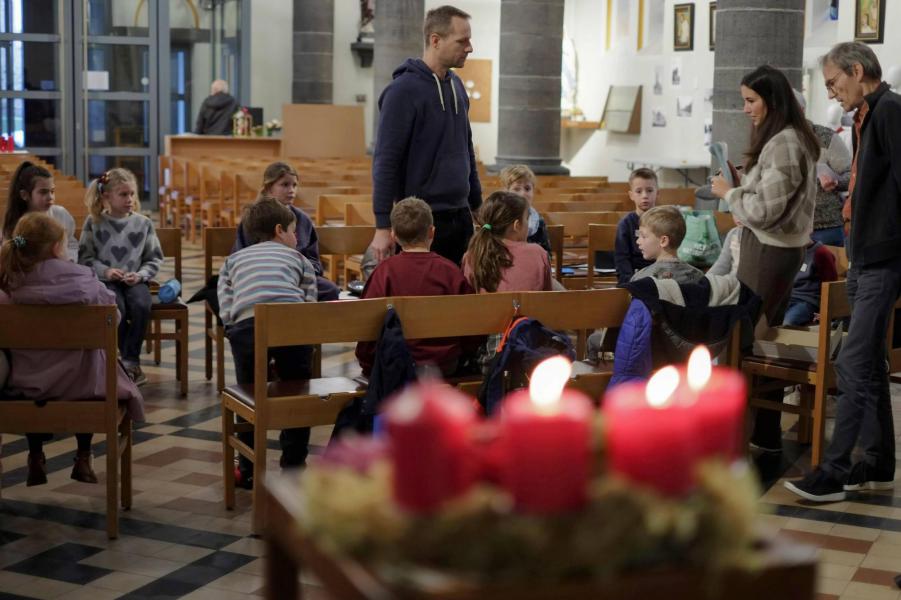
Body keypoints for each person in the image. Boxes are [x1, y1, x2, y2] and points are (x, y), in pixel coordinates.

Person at [785, 42, 901, 502]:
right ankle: (877, 463)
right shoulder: (864, 118)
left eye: (834, 82)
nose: (831, 92)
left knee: (851, 362)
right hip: (863, 254)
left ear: (857, 70)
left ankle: (833, 471)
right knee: (868, 363)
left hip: (883, 257)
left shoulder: (890, 111)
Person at [711, 64, 820, 453]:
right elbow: (771, 200)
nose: (745, 109)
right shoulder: (788, 139)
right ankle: (764, 432)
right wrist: (745, 184)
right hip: (775, 248)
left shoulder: (785, 142)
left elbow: (765, 212)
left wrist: (729, 193)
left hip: (769, 250)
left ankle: (731, 437)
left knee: (742, 340)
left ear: (772, 100)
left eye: (751, 100)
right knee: (762, 337)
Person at [0, 213, 144, 487]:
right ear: (57, 248)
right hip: (83, 388)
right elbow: (112, 317)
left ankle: (35, 455)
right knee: (92, 361)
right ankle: (83, 455)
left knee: (36, 363)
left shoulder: (9, 286)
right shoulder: (86, 282)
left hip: (28, 385)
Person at [369, 5, 482, 266]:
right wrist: (382, 226)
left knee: (460, 289)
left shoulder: (456, 86)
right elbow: (386, 161)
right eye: (462, 41)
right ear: (435, 40)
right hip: (419, 220)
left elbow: (466, 148)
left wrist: (476, 203)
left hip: (460, 215)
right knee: (422, 292)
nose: (470, 48)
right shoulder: (402, 92)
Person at [219, 198, 318, 487]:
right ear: (279, 230)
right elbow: (310, 301)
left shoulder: (234, 260)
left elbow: (225, 297)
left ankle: (247, 468)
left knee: (248, 392)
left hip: (247, 328)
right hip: (291, 326)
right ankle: (294, 465)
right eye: (293, 231)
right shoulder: (299, 259)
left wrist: (231, 325)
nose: (296, 238)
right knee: (297, 394)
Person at [355, 197, 475, 377]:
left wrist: (369, 364)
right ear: (432, 232)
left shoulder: (384, 272)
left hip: (395, 365)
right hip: (443, 365)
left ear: (393, 236)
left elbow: (367, 325)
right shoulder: (450, 271)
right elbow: (471, 324)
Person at [78, 169, 162, 386]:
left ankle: (130, 360)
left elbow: (154, 259)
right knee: (117, 309)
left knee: (141, 305)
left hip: (135, 280)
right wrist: (106, 271)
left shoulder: (143, 223)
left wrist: (140, 275)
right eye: (123, 194)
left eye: (132, 194)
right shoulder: (94, 222)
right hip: (106, 282)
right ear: (107, 196)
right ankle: (126, 361)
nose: (130, 199)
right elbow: (85, 258)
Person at [232, 162, 339, 301]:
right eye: (285, 185)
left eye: (294, 185)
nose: (291, 190)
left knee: (330, 289)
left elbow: (314, 261)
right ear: (269, 187)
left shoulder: (303, 219)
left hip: (297, 277)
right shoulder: (253, 217)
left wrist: (299, 270)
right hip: (260, 277)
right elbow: (239, 257)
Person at [463, 191, 551, 293]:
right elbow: (547, 297)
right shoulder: (538, 253)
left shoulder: (472, 255)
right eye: (527, 219)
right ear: (517, 225)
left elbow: (468, 298)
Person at [794, 90, 852, 247]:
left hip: (825, 227)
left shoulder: (826, 137)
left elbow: (852, 175)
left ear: (800, 110)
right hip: (787, 229)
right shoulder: (772, 141)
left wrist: (836, 182)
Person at [1, 161, 78, 261]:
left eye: (52, 191)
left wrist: (70, 259)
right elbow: (15, 253)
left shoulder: (61, 214)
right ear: (24, 195)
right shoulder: (17, 224)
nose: (50, 197)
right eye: (43, 192)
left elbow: (72, 243)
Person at [631, 206, 704, 284]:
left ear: (663, 241)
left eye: (643, 236)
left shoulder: (639, 279)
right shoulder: (700, 277)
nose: (638, 241)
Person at [614, 168, 657, 284]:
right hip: (634, 278)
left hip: (661, 276)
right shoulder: (625, 224)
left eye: (650, 190)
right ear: (631, 195)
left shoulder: (664, 220)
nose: (645, 196)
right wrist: (629, 283)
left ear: (657, 193)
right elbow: (622, 258)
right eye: (639, 191)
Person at [782, 238, 838, 326]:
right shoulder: (791, 250)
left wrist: (825, 311)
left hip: (808, 301)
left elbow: (831, 285)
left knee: (787, 323)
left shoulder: (821, 253)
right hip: (789, 297)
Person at [499, 165, 551, 254]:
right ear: (507, 192)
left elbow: (546, 254)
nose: (523, 194)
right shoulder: (499, 218)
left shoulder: (538, 221)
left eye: (527, 189)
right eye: (516, 189)